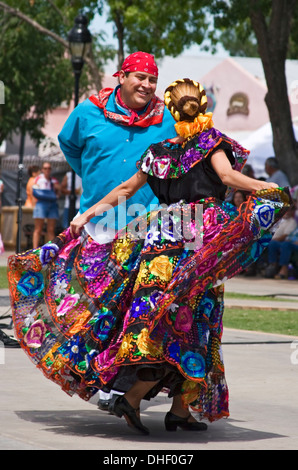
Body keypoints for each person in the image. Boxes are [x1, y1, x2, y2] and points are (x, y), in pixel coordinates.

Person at [8, 79, 290, 436]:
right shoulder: (211, 141)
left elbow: (126, 189)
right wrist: (274, 189)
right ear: (203, 106)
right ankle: (148, 398)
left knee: (157, 318)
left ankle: (177, 409)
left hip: (160, 237)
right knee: (197, 320)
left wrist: (87, 214)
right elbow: (228, 176)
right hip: (197, 241)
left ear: (171, 111)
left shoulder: (158, 151)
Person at [58, 51, 177, 409]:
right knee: (94, 309)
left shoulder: (166, 119)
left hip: (146, 227)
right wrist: (97, 180)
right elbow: (71, 147)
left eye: (152, 80)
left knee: (133, 312)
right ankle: (93, 375)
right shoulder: (87, 112)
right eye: (139, 77)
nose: (146, 85)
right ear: (121, 77)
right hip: (98, 225)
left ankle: (116, 385)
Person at [32, 161, 60, 249]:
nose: (47, 170)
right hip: (41, 204)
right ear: (42, 170)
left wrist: (58, 192)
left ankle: (51, 251)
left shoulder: (54, 180)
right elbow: (33, 191)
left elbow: (59, 190)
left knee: (51, 230)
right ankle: (35, 249)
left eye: (49, 168)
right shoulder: (38, 179)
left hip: (52, 204)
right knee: (38, 229)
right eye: (45, 168)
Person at [264, 205, 297, 278]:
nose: (287, 212)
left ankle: (284, 269)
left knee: (285, 245)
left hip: (290, 243)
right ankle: (273, 267)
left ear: (292, 212)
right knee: (272, 244)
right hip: (283, 242)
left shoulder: (292, 222)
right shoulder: (280, 220)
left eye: (289, 210)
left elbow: (285, 236)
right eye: (286, 210)